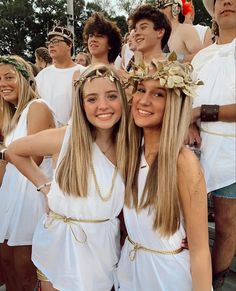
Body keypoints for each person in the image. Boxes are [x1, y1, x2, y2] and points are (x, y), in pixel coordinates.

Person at [6, 64, 128, 291]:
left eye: (111, 96)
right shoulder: (66, 138)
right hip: (61, 242)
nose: (102, 106)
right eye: (91, 99)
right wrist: (44, 185)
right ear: (81, 105)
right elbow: (15, 150)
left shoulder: (129, 145)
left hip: (102, 243)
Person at [117, 56, 212, 291]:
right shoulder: (129, 152)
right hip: (130, 267)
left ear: (174, 103)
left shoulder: (183, 162)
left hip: (167, 277)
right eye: (141, 90)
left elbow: (200, 250)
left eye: (158, 94)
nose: (144, 101)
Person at [191, 0, 236, 289]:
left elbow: (196, 107)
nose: (227, 2)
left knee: (226, 223)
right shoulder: (201, 57)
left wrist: (201, 112)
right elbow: (187, 99)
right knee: (187, 223)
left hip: (233, 154)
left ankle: (215, 284)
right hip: (195, 151)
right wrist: (190, 122)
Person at [0, 55, 55, 290]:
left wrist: (3, 152)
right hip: (11, 194)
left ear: (25, 79)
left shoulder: (38, 107)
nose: (2, 83)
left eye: (9, 77)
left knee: (25, 273)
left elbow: (34, 158)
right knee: (8, 266)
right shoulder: (11, 116)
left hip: (31, 197)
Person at [35, 25, 84, 126]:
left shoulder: (83, 72)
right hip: (46, 136)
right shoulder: (42, 75)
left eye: (56, 41)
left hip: (74, 133)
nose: (51, 45)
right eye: (49, 43)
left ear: (69, 45)